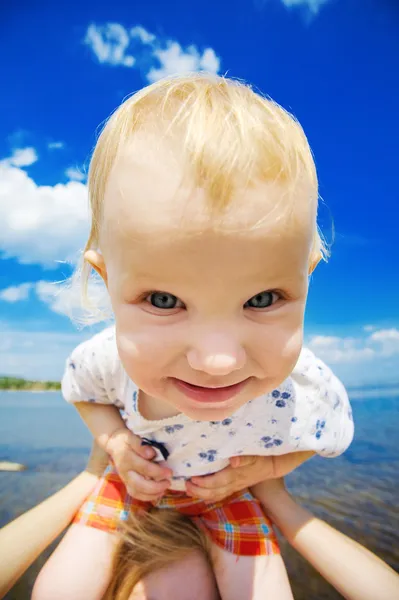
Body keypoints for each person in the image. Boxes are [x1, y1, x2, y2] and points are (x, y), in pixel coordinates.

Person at [32, 73, 355, 600]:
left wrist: (266, 469)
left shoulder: (304, 389)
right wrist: (116, 445)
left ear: (307, 276)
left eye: (263, 299)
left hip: (224, 493)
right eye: (164, 301)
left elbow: (325, 438)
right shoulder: (104, 359)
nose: (218, 360)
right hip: (131, 481)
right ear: (108, 281)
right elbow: (83, 394)